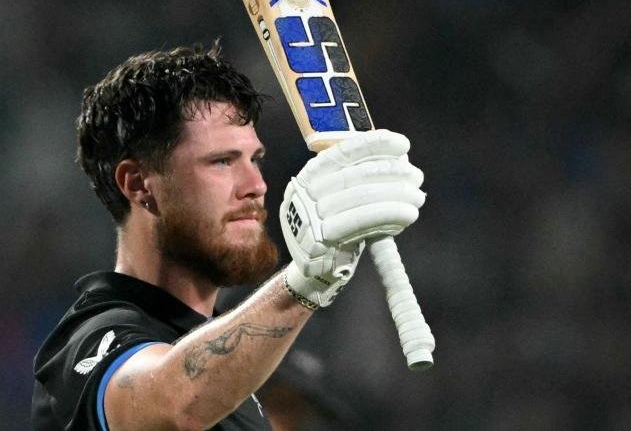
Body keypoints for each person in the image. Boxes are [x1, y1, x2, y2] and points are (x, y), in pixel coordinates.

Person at [31, 42, 426, 430]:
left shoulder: (242, 392)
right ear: (138, 184)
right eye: (221, 162)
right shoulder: (85, 343)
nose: (256, 186)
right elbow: (178, 406)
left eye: (254, 160)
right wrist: (307, 281)